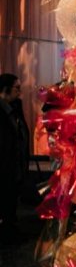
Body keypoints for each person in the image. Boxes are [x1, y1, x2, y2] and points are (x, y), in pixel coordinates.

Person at [0, 74, 29, 239]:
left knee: (12, 199)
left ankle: (10, 226)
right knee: (5, 197)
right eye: (17, 88)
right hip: (5, 165)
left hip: (16, 164)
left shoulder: (15, 106)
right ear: (5, 90)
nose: (20, 92)